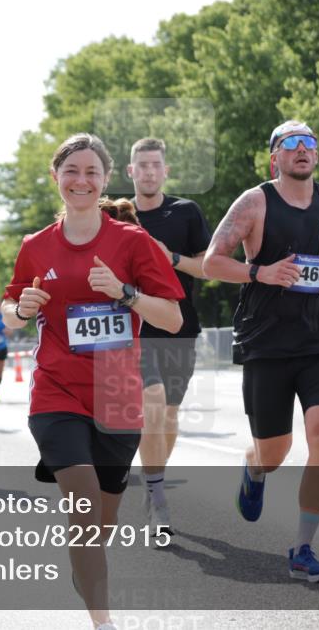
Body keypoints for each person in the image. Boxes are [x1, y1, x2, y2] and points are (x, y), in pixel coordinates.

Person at [2, 133, 183, 630]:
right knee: (82, 506)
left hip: (118, 397)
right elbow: (10, 311)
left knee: (99, 526)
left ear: (105, 180)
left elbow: (170, 317)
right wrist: (21, 307)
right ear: (56, 177)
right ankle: (103, 622)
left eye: (91, 173)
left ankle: (86, 571)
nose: (81, 181)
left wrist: (125, 294)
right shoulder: (36, 246)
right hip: (56, 392)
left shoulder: (133, 242)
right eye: (71, 171)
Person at [203, 120, 319, 584]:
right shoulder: (254, 202)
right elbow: (212, 262)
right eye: (291, 144)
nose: (302, 150)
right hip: (266, 341)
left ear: (317, 155)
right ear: (276, 158)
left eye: (309, 143)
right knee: (275, 451)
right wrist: (259, 273)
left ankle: (303, 548)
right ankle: (255, 466)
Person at [128, 137, 212, 535]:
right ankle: (159, 499)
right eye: (141, 165)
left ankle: (152, 481)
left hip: (180, 326)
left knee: (170, 415)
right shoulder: (118, 217)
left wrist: (170, 258)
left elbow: (209, 268)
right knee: (152, 401)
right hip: (134, 330)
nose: (148, 171)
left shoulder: (186, 212)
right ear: (130, 172)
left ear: (166, 171)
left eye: (154, 165)